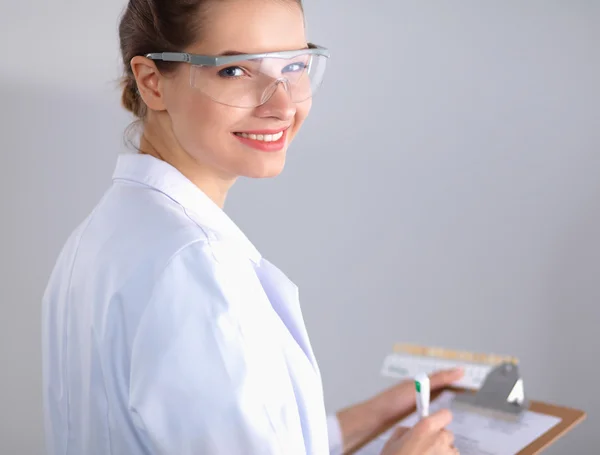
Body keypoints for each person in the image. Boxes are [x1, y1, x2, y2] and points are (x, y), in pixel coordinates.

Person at [41, 0, 464, 454]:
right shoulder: (192, 270)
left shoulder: (107, 233)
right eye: (236, 71)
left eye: (296, 66)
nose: (282, 105)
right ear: (152, 83)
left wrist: (366, 421)